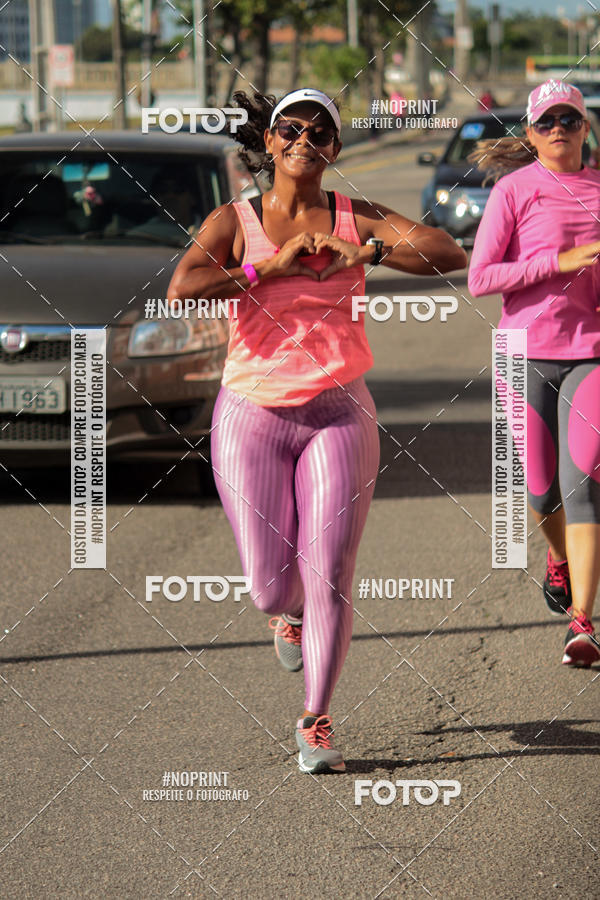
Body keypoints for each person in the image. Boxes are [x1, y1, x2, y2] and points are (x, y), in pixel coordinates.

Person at [168, 87, 467, 772]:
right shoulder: (235, 219)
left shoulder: (354, 216)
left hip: (339, 412)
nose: (305, 139)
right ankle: (288, 613)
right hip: (251, 414)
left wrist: (363, 251)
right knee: (271, 588)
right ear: (269, 141)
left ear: (334, 148)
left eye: (320, 131)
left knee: (329, 569)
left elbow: (446, 253)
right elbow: (182, 287)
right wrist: (265, 268)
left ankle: (316, 719)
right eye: (291, 129)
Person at [468, 79, 600, 667]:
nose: (558, 130)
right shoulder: (514, 191)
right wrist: (558, 262)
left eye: (568, 120)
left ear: (585, 128)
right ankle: (559, 559)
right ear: (530, 132)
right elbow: (481, 277)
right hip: (522, 353)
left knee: (583, 484)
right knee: (541, 491)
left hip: (592, 353)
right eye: (546, 122)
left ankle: (583, 622)